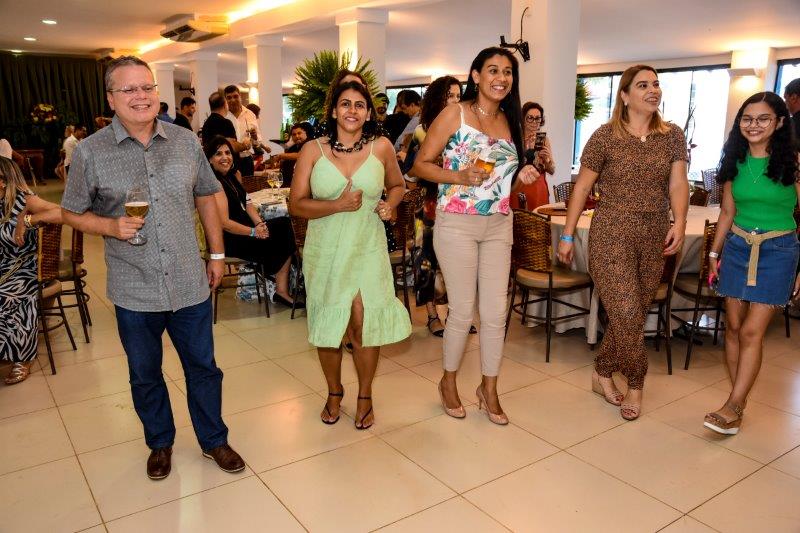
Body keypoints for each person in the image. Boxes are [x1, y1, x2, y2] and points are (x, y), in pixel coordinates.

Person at [61, 56, 245, 480]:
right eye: (129, 89)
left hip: (188, 279)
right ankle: (160, 443)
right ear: (111, 98)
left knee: (203, 368)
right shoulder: (90, 152)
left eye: (147, 87)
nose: (140, 96)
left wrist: (217, 255)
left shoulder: (185, 141)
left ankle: (213, 439)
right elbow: (72, 212)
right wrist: (110, 226)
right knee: (145, 375)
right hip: (134, 285)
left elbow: (206, 196)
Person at [411, 47, 539, 424]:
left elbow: (503, 180)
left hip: (499, 223)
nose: (501, 78)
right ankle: (448, 381)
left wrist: (521, 176)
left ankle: (489, 388)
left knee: (496, 313)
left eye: (508, 72)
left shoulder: (511, 120)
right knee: (463, 310)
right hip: (457, 222)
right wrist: (458, 176)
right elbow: (420, 165)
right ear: (476, 75)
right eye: (493, 70)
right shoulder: (456, 113)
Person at [557, 64, 689, 421]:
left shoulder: (672, 135)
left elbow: (678, 183)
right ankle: (636, 381)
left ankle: (602, 371)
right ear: (625, 95)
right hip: (611, 232)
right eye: (643, 85)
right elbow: (582, 188)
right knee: (628, 310)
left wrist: (680, 220)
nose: (653, 90)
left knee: (631, 313)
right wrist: (567, 234)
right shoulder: (604, 136)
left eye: (656, 84)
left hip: (654, 234)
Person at [289, 80, 411, 429]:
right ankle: (334, 391)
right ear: (333, 110)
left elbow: (398, 185)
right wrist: (336, 205)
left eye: (359, 105)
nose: (352, 110)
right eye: (345, 103)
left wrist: (391, 204)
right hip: (326, 251)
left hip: (367, 247)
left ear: (369, 113)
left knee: (363, 323)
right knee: (330, 326)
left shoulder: (382, 147)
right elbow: (296, 205)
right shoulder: (312, 150)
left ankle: (365, 395)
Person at [702, 92, 800, 435]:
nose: (753, 125)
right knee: (732, 328)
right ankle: (738, 401)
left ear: (780, 122)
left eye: (762, 119)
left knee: (750, 331)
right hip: (737, 248)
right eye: (747, 118)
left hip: (779, 251)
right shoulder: (735, 160)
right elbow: (727, 212)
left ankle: (732, 404)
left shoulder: (794, 163)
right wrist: (713, 255)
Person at [205, 135, 299, 307]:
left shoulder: (234, 175)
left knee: (285, 225)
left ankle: (280, 287)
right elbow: (224, 223)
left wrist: (259, 224)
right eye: (218, 154)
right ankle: (279, 283)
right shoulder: (214, 184)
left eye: (227, 152)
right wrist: (254, 232)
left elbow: (247, 203)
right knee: (283, 234)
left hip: (246, 230)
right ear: (210, 160)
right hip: (230, 239)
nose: (225, 157)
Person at [407, 75, 462, 337]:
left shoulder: (465, 130)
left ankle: (456, 315)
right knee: (427, 261)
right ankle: (432, 315)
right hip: (428, 205)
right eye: (450, 96)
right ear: (438, 98)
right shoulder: (423, 130)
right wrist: (434, 164)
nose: (455, 100)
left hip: (457, 204)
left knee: (456, 262)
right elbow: (410, 171)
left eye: (458, 96)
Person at [0, 157, 63, 385]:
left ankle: (22, 357)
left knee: (6, 295)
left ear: (4, 180)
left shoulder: (25, 200)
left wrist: (27, 220)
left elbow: (63, 213)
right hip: (3, 266)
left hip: (25, 267)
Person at [510, 102, 555, 209]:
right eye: (530, 118)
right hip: (519, 185)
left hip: (539, 189)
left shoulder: (543, 140)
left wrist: (546, 160)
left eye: (538, 118)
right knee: (518, 217)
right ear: (523, 119)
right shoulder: (515, 139)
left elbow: (552, 170)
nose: (534, 122)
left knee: (538, 218)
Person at [224, 85, 267, 177]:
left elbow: (257, 140)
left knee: (248, 185)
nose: (232, 100)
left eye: (235, 96)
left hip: (247, 159)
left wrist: (255, 136)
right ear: (225, 99)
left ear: (240, 96)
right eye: (229, 97)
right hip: (228, 159)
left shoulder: (250, 114)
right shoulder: (223, 116)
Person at [201, 91, 250, 162]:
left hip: (212, 163)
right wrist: (245, 145)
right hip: (225, 164)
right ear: (225, 105)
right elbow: (232, 146)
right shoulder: (225, 122)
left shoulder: (206, 124)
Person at [271, 122, 314, 188]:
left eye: (299, 133)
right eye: (294, 134)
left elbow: (300, 155)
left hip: (303, 184)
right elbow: (287, 159)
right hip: (288, 184)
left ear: (305, 133)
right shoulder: (293, 147)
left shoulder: (310, 144)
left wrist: (280, 156)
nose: (297, 136)